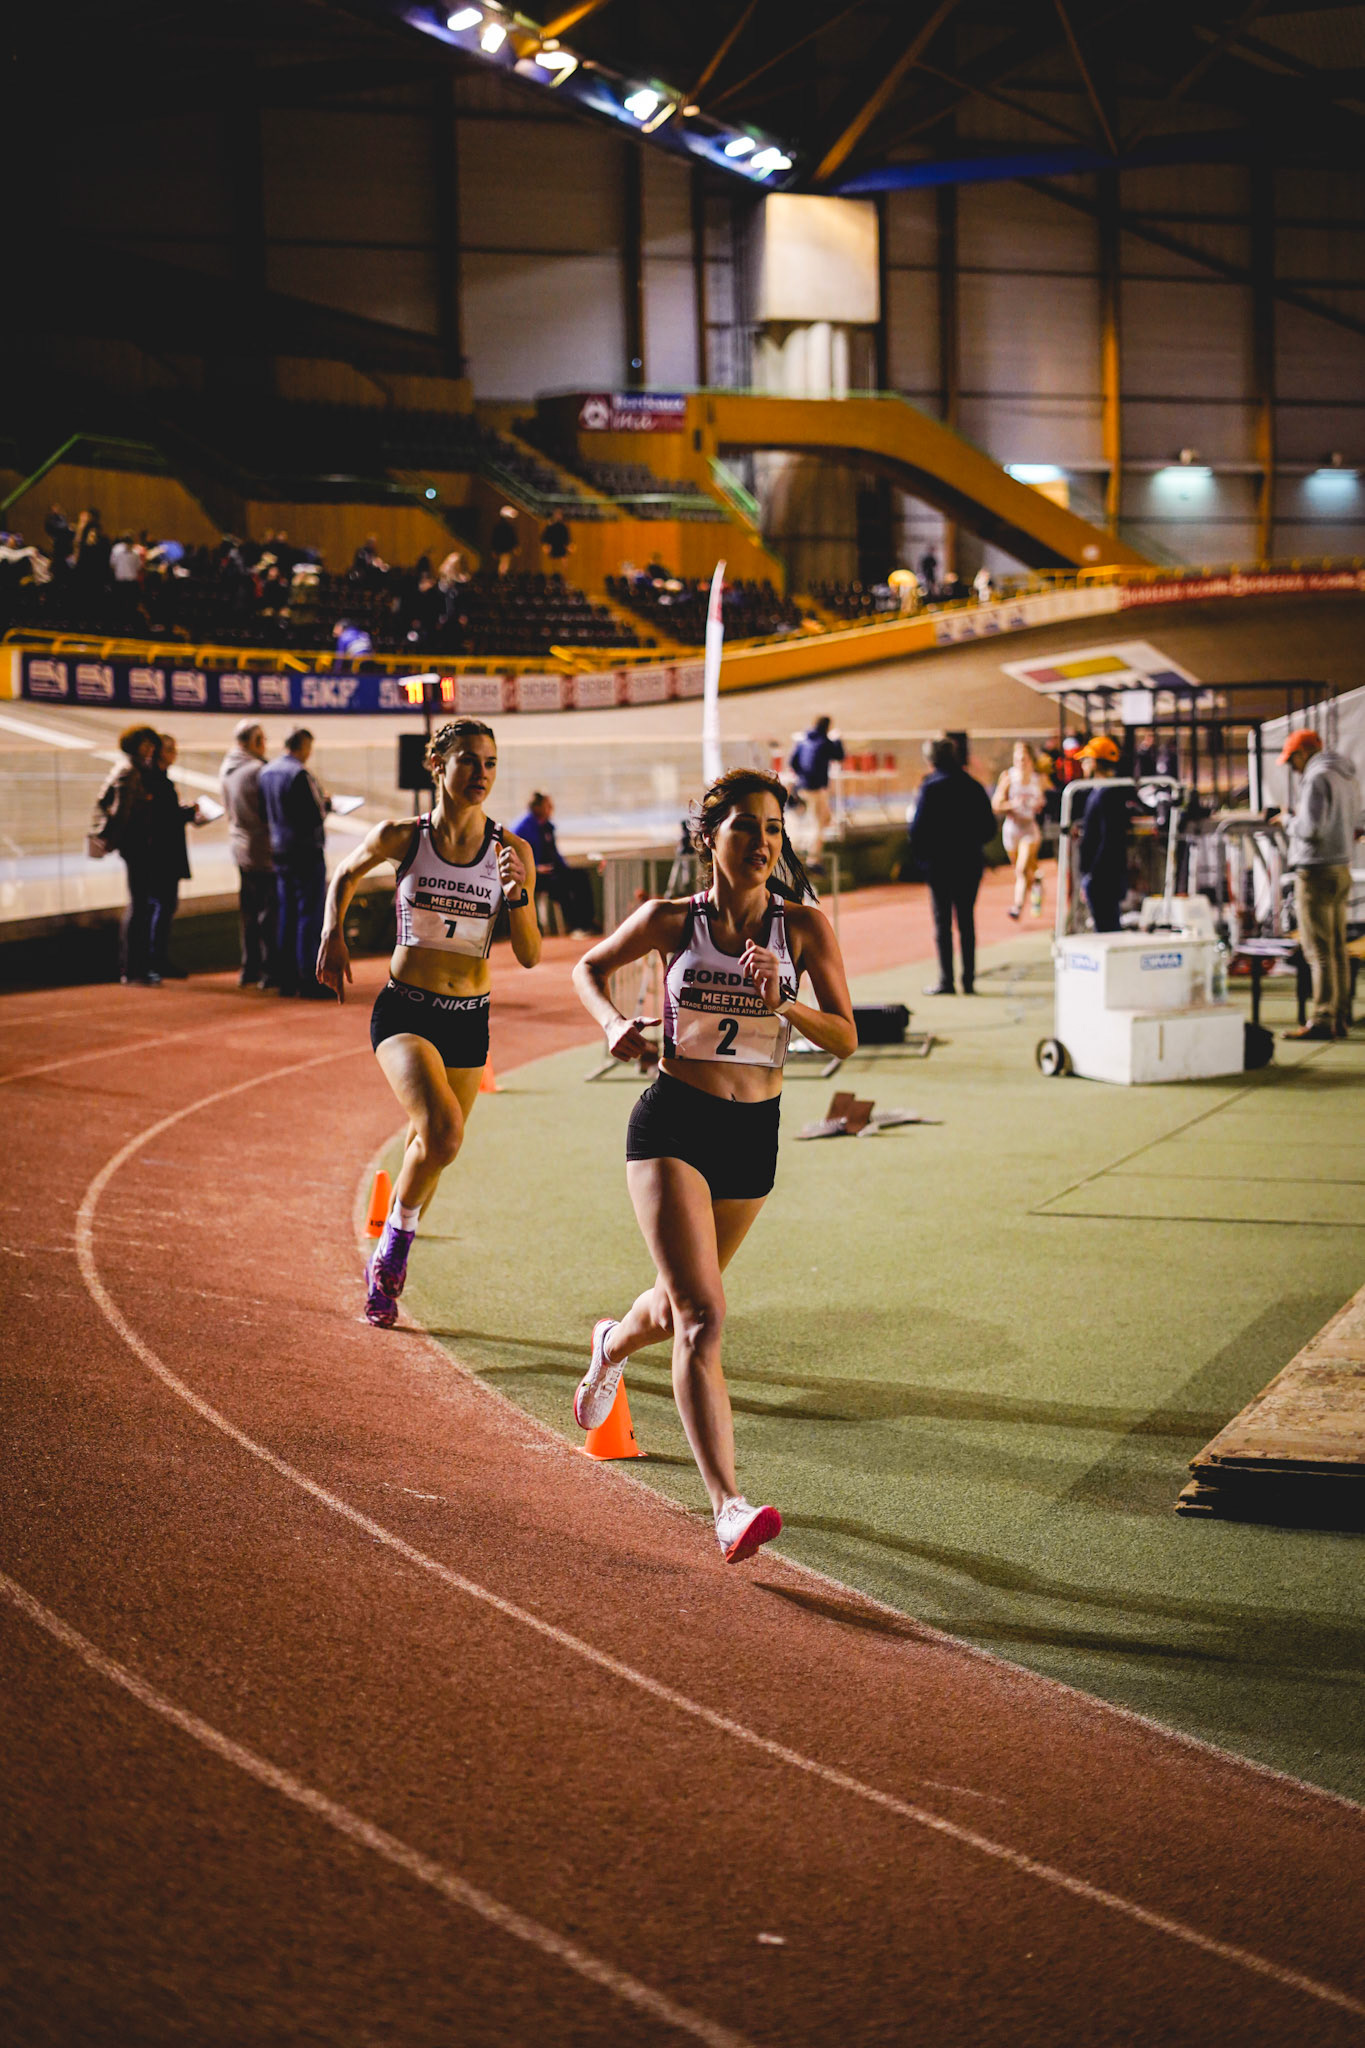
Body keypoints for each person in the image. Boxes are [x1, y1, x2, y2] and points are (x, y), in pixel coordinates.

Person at [571, 768, 856, 1565]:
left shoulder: (803, 929)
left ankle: (609, 1347)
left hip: (752, 1136)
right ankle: (727, 1505)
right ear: (709, 839)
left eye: (772, 829)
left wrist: (786, 1003)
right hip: (673, 1123)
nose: (762, 843)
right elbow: (586, 969)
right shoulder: (669, 921)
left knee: (671, 1307)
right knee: (703, 1316)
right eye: (744, 828)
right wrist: (610, 1026)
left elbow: (843, 1038)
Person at [316, 719, 540, 1327]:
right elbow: (345, 873)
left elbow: (529, 954)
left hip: (469, 1015)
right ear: (436, 764)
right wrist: (331, 932)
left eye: (491, 763)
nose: (482, 774)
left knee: (432, 1147)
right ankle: (394, 1251)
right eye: (469, 761)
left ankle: (390, 1240)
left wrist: (518, 898)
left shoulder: (512, 852)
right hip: (407, 1008)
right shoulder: (402, 837)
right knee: (442, 1133)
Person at [1278, 728, 1362, 1041]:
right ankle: (1339, 1016)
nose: (1293, 767)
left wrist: (1286, 820)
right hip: (1341, 868)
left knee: (1318, 950)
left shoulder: (1316, 778)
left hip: (1315, 872)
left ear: (1303, 752)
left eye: (1292, 760)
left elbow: (1310, 829)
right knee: (1337, 948)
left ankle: (1323, 1019)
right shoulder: (1346, 775)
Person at [908, 737, 997, 995]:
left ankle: (947, 980)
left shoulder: (930, 788)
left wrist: (923, 859)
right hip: (969, 862)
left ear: (931, 760)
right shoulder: (973, 786)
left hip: (939, 865)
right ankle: (968, 980)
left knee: (942, 924)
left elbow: (917, 830)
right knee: (967, 922)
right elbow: (989, 828)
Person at [260, 728, 333, 999]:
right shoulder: (299, 773)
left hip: (280, 848)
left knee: (286, 913)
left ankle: (285, 977)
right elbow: (313, 814)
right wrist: (326, 806)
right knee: (309, 915)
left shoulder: (267, 772)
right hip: (305, 850)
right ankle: (308, 977)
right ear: (302, 746)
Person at [92, 726, 162, 984]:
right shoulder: (130, 771)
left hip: (135, 844)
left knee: (140, 903)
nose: (150, 749)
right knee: (139, 904)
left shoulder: (128, 769)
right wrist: (115, 840)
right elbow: (123, 811)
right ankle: (133, 968)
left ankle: (134, 967)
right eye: (145, 744)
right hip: (137, 846)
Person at [219, 719, 277, 987]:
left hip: (240, 847)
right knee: (268, 914)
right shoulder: (258, 770)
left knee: (249, 913)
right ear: (254, 741)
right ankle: (269, 970)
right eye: (262, 739)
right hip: (262, 850)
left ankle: (249, 967)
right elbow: (271, 812)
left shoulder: (227, 767)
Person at [145, 734, 201, 978]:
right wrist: (187, 814)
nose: (174, 754)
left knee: (161, 906)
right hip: (163, 855)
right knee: (163, 905)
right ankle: (156, 959)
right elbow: (163, 820)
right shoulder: (157, 782)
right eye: (170, 749)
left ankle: (155, 958)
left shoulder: (156, 780)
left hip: (158, 854)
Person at [513, 791, 594, 934]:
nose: (551, 808)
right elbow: (515, 857)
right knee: (560, 885)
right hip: (533, 876)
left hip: (552, 871)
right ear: (537, 807)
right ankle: (575, 925)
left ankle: (588, 921)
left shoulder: (547, 826)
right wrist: (536, 869)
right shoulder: (522, 828)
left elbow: (554, 853)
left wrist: (563, 868)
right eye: (548, 805)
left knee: (580, 876)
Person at [1076, 735, 1129, 933]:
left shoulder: (1109, 793)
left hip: (1104, 877)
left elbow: (1109, 839)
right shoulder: (1099, 791)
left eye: (1085, 760)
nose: (1083, 765)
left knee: (1107, 928)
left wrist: (1093, 875)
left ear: (1095, 762)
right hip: (1101, 875)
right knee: (1105, 925)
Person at [993, 741, 1047, 920]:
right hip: (1012, 829)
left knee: (1022, 869)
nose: (1020, 763)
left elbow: (1049, 799)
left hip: (1029, 828)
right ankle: (1036, 885)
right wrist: (1011, 804)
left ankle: (1017, 906)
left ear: (1031, 760)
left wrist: (1040, 804)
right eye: (1017, 759)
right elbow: (996, 805)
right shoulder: (1008, 777)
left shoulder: (1038, 779)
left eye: (1024, 759)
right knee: (1022, 869)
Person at [787, 715, 845, 858]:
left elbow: (792, 762)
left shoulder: (803, 741)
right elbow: (839, 755)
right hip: (816, 789)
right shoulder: (825, 742)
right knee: (820, 822)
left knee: (815, 819)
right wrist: (837, 739)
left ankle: (803, 848)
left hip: (802, 787)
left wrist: (802, 776)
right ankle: (812, 855)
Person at [490, 507, 519, 575]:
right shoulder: (504, 527)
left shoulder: (504, 527)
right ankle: (503, 580)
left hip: (506, 550)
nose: (512, 519)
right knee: (504, 567)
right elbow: (496, 539)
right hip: (505, 551)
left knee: (507, 566)